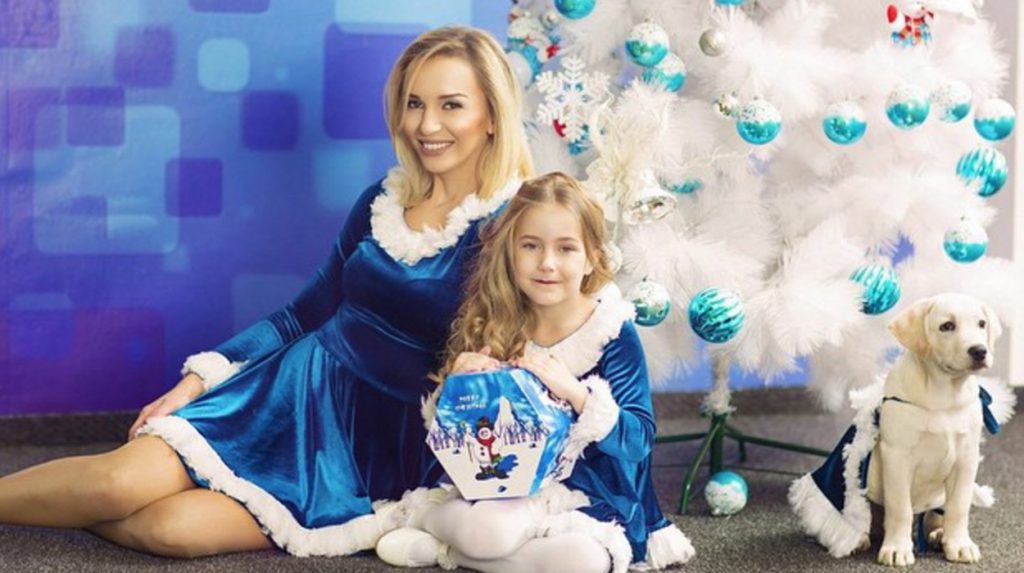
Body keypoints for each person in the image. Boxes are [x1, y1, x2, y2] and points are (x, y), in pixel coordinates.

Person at [0, 26, 533, 558]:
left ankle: (73, 509)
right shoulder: (384, 200)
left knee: (170, 530)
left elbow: (536, 341)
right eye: (414, 103)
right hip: (285, 399)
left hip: (369, 453)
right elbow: (305, 312)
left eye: (451, 105)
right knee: (115, 487)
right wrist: (196, 381)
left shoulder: (514, 226)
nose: (426, 124)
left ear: (492, 116)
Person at [376, 173, 695, 573]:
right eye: (530, 246)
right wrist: (458, 386)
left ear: (592, 257)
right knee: (491, 532)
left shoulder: (611, 331)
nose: (547, 263)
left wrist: (578, 396)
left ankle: (449, 551)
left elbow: (638, 441)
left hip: (591, 498)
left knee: (587, 562)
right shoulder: (498, 323)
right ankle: (427, 516)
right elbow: (466, 437)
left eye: (566, 248)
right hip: (509, 491)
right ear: (511, 252)